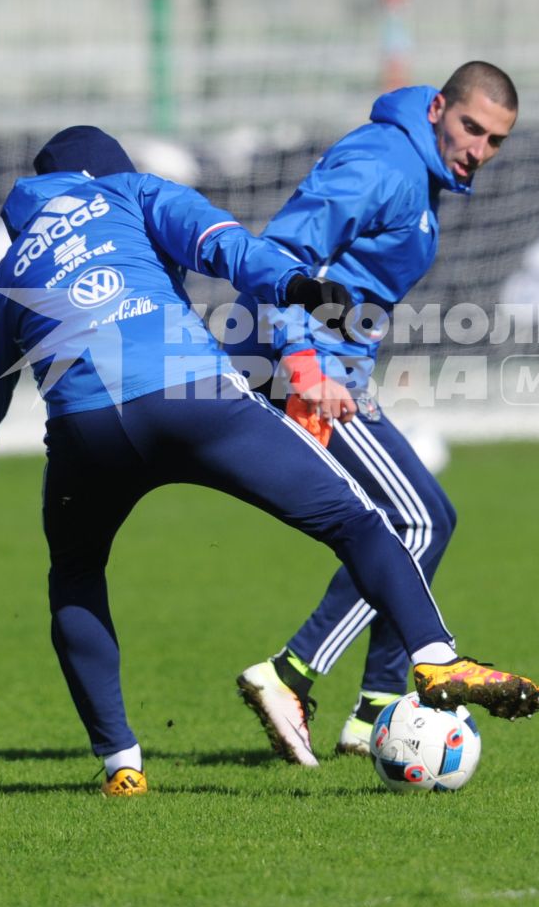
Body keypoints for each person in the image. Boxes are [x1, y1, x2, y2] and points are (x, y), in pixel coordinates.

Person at [0, 126, 539, 797]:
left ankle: (122, 764)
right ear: (110, 170)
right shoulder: (132, 190)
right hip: (193, 398)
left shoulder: (8, 272)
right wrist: (294, 284)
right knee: (361, 522)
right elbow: (221, 245)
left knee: (76, 574)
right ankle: (436, 661)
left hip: (85, 436)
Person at [222, 62, 519, 765]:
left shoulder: (418, 172)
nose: (478, 148)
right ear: (439, 108)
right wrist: (304, 367)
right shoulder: (382, 162)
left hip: (332, 368)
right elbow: (278, 256)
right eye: (470, 127)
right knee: (415, 520)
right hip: (298, 367)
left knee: (428, 520)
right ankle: (289, 674)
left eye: (495, 140)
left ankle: (378, 706)